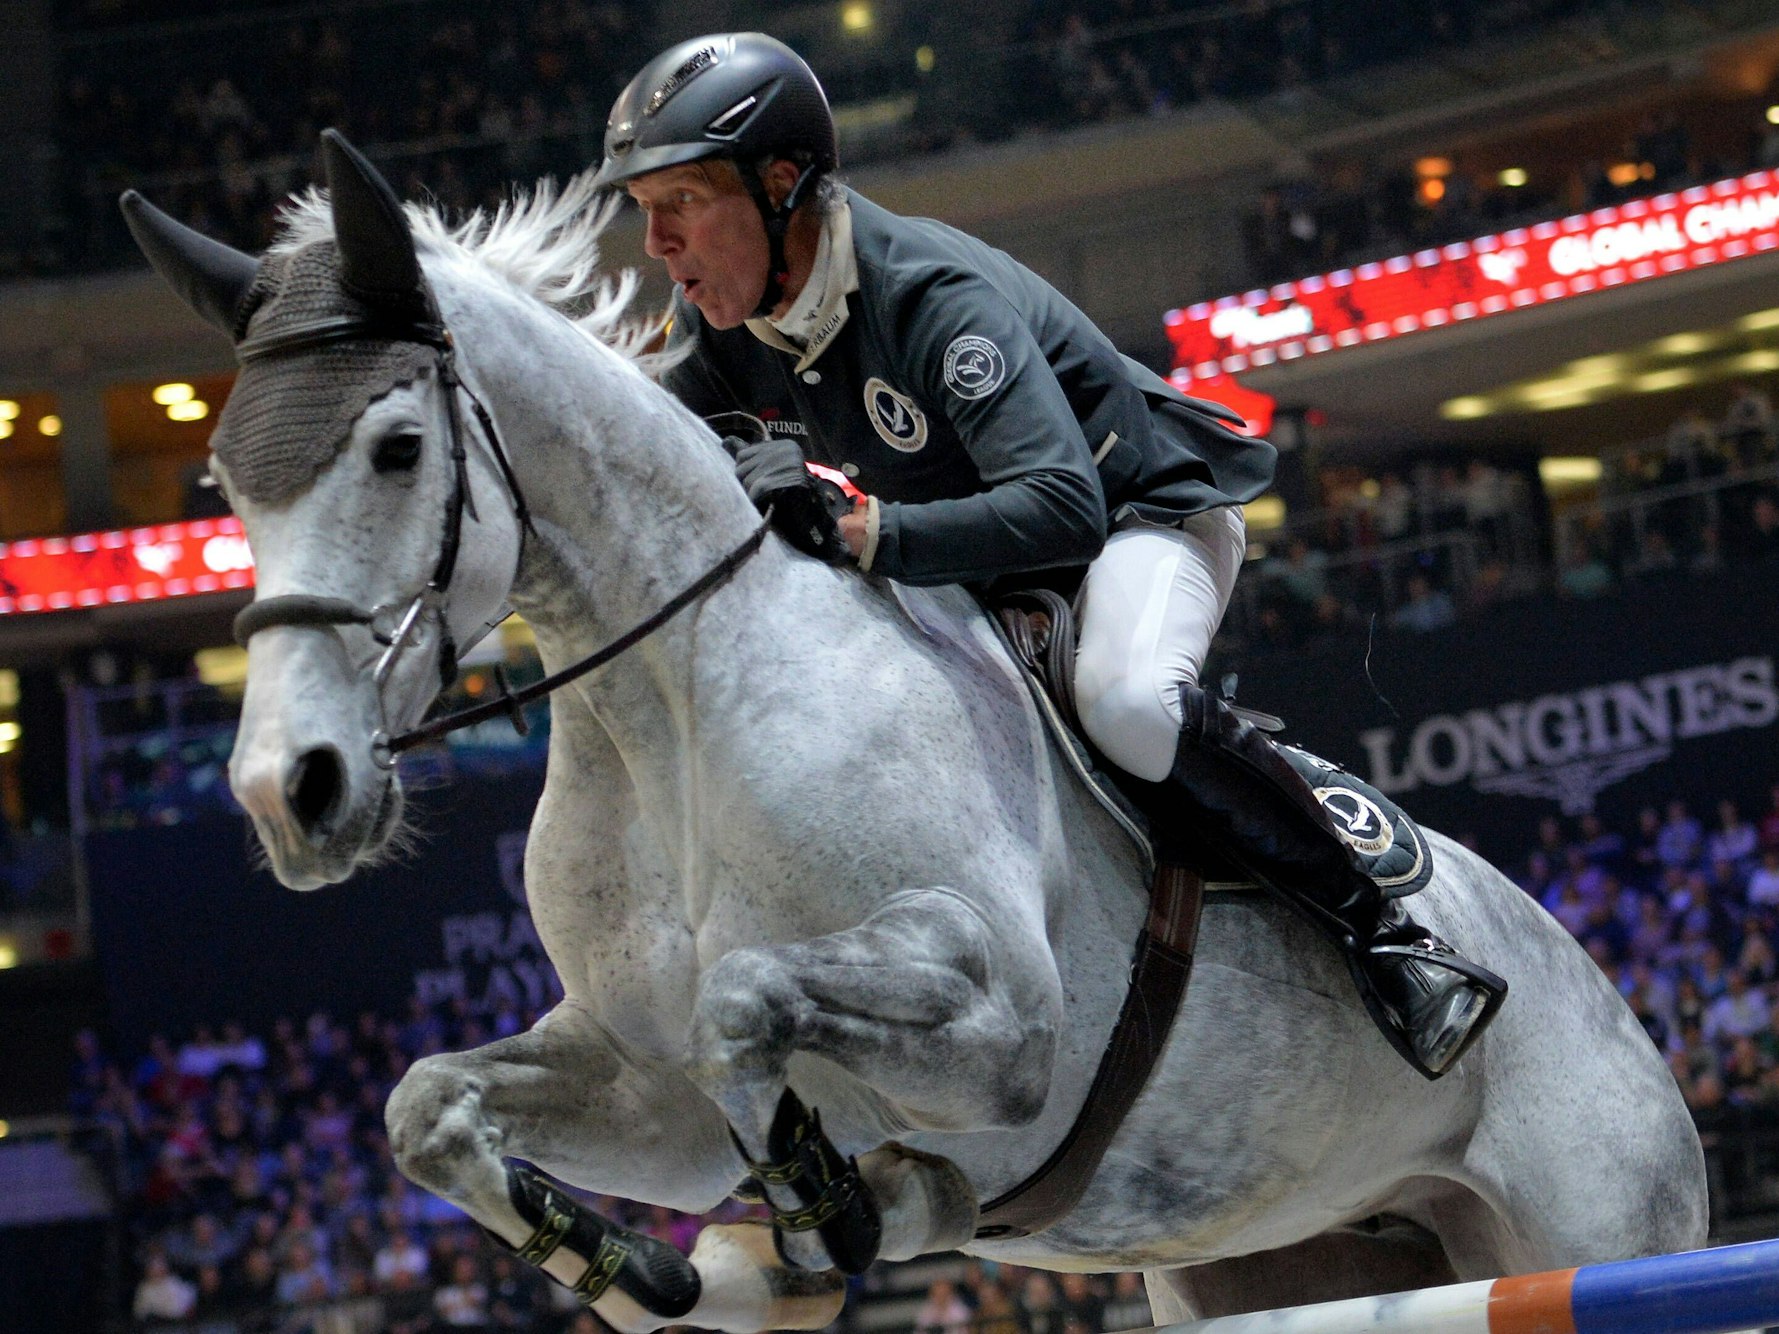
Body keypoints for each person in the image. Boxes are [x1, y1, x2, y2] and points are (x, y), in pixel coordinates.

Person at [592, 32, 1502, 1077]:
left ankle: (1387, 932)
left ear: (783, 182)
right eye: (644, 210)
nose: (657, 242)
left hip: (1137, 519)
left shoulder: (931, 297)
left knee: (1125, 699)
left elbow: (1062, 503)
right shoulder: (723, 319)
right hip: (992, 560)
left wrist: (863, 531)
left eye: (683, 203)